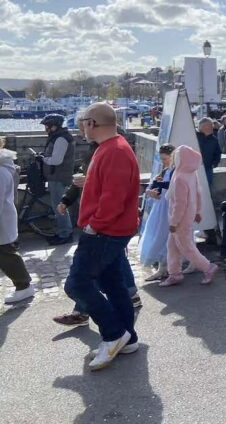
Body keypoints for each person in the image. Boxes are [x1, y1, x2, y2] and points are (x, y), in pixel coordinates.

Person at [63, 103, 140, 370]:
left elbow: (113, 199)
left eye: (83, 121)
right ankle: (128, 339)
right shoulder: (111, 148)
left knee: (76, 284)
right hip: (110, 230)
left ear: (92, 123)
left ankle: (114, 334)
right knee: (113, 284)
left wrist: (94, 226)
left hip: (104, 232)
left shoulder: (114, 151)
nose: (81, 126)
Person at [159, 145, 218, 287]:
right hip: (189, 214)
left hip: (180, 218)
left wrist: (173, 222)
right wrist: (198, 211)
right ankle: (174, 273)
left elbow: (180, 204)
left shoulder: (179, 176)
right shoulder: (191, 172)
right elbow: (198, 193)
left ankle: (207, 267)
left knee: (186, 247)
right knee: (172, 245)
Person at [0, 139, 34, 305]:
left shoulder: (1, 171)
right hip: (4, 219)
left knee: (7, 255)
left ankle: (24, 286)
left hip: (3, 220)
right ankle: (23, 285)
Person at [138, 143, 175, 281]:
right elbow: (155, 182)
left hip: (169, 206)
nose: (163, 162)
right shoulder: (166, 170)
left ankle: (165, 267)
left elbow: (171, 184)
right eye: (162, 159)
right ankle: (163, 267)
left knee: (164, 235)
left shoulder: (176, 170)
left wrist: (156, 185)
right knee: (158, 234)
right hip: (160, 206)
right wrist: (150, 191)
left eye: (166, 159)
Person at [39, 114, 75, 245]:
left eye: (46, 126)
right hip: (57, 176)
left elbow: (56, 160)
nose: (45, 129)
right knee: (58, 206)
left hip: (59, 177)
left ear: (53, 126)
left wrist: (43, 159)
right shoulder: (58, 137)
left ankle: (65, 234)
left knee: (59, 206)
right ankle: (63, 232)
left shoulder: (60, 139)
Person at [196, 117, 221, 189]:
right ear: (202, 127)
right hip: (195, 169)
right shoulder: (194, 137)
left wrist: (215, 163)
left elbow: (217, 153)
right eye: (210, 125)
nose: (212, 127)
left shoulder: (214, 139)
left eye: (212, 125)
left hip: (208, 169)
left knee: (206, 189)